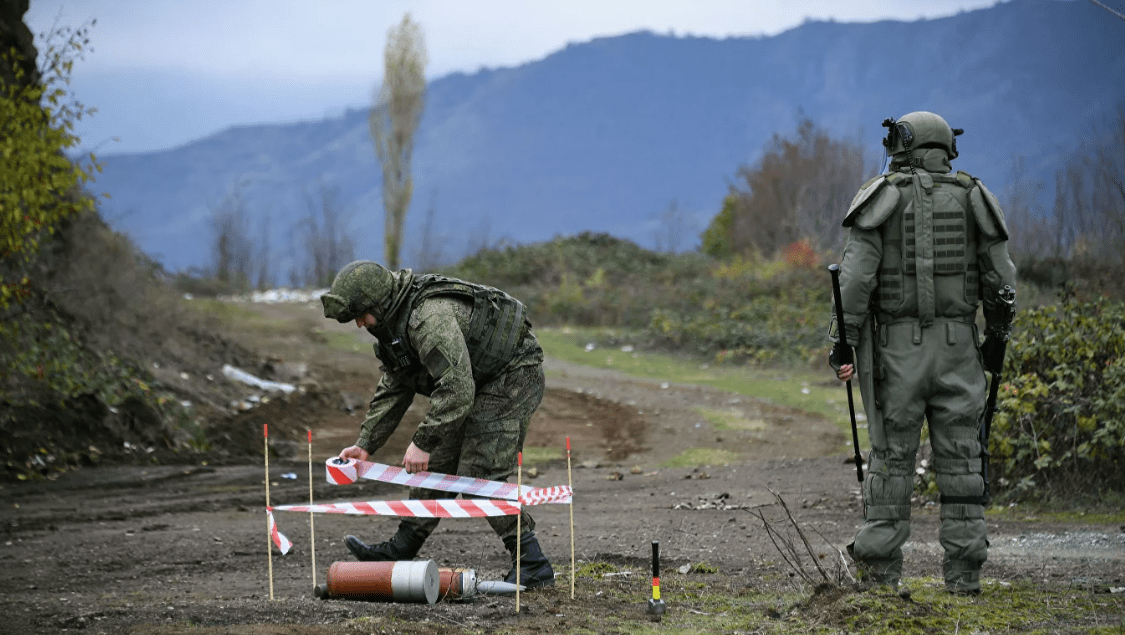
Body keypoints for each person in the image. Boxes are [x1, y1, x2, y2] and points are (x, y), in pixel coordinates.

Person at [828, 111, 1017, 595]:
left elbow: (853, 282)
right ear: (945, 148)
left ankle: (880, 574)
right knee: (961, 460)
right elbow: (1002, 282)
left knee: (891, 461)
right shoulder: (975, 198)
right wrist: (995, 338)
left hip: (896, 353)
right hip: (959, 349)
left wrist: (842, 343)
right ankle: (964, 575)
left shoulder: (880, 199)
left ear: (901, 145)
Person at [320, 260, 555, 589]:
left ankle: (533, 563)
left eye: (362, 315)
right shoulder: (392, 326)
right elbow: (395, 387)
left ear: (379, 303)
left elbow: (457, 391)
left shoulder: (429, 319)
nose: (360, 324)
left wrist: (423, 441)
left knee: (480, 474)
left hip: (512, 374)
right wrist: (365, 444)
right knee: (439, 469)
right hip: (476, 380)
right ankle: (401, 549)